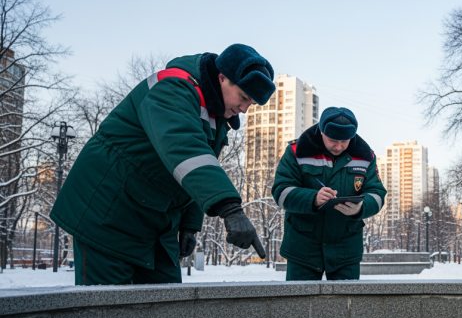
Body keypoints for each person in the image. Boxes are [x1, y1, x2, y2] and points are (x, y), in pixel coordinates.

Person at [51, 44, 272, 285]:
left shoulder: (214, 116)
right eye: (243, 97)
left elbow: (194, 170)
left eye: (250, 103)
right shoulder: (173, 88)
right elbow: (184, 150)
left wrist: (190, 223)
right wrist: (230, 208)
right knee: (106, 314)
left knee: (165, 309)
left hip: (152, 222)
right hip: (107, 215)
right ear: (222, 77)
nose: (244, 109)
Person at [273, 107, 386, 280]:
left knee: (345, 306)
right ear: (321, 131)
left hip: (345, 249)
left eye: (345, 141)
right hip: (303, 247)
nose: (339, 146)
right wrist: (313, 199)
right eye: (333, 140)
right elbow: (281, 191)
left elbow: (377, 194)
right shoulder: (296, 152)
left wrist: (360, 208)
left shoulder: (366, 157)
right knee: (298, 305)